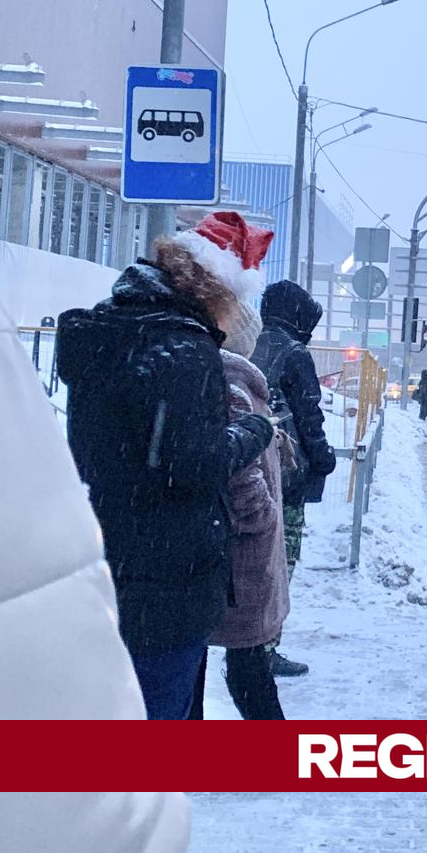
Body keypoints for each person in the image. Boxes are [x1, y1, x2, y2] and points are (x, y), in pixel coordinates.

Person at [0, 211, 191, 853]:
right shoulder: (181, 353)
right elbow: (4, 589)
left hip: (122, 537)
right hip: (164, 561)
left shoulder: (95, 342)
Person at [56, 211, 275, 720]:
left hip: (109, 551)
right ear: (217, 291)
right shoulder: (185, 348)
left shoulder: (114, 327)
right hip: (168, 574)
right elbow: (190, 463)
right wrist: (254, 431)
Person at [195, 300, 290, 720]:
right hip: (241, 549)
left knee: (229, 652)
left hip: (231, 545)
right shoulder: (234, 379)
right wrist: (260, 515)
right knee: (246, 651)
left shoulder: (229, 378)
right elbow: (238, 470)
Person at [250, 280, 337, 677]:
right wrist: (323, 459)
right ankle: (262, 651)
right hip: (287, 477)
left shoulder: (252, 344)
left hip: (252, 469)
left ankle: (248, 647)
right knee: (280, 565)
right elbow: (309, 417)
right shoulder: (295, 353)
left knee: (254, 562)